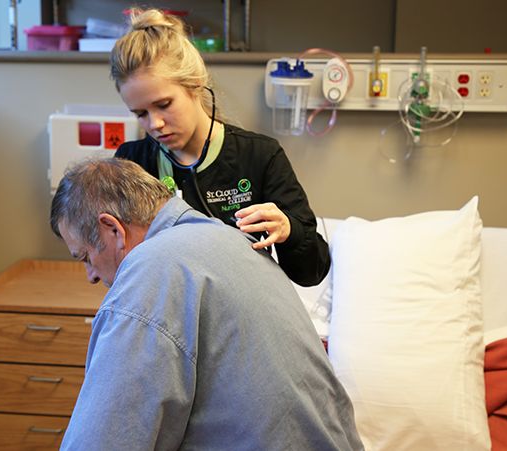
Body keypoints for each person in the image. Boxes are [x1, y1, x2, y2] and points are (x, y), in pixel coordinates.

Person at [50, 157, 363, 451]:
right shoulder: (231, 240)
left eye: (86, 257)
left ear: (113, 230)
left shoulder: (153, 266)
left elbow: (104, 438)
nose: (90, 275)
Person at [110, 8, 330, 287]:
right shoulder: (131, 164)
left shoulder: (259, 156)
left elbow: (313, 271)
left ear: (196, 85)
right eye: (140, 113)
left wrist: (289, 230)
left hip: (240, 313)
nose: (155, 124)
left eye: (164, 105)